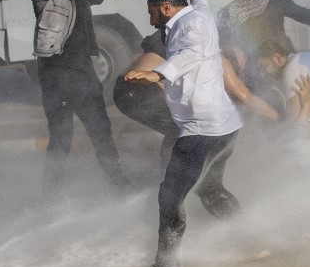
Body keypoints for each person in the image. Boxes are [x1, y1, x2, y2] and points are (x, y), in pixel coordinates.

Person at [124, 0, 243, 267]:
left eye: (151, 10)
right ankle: (250, 242)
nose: (149, 17)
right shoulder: (198, 13)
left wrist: (157, 73)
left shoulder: (190, 28)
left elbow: (190, 53)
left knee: (169, 197)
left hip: (201, 130)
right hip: (225, 128)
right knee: (211, 188)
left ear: (165, 7)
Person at [29, 0, 134, 202]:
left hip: (82, 71)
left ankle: (119, 187)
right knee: (61, 140)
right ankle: (49, 199)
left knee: (101, 132)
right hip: (57, 73)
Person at [113, 29, 280, 170]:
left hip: (124, 90)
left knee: (180, 130)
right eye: (244, 57)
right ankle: (180, 180)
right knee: (189, 130)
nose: (244, 63)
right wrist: (279, 118)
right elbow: (245, 96)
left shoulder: (197, 52)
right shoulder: (217, 57)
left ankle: (168, 175)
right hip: (139, 89)